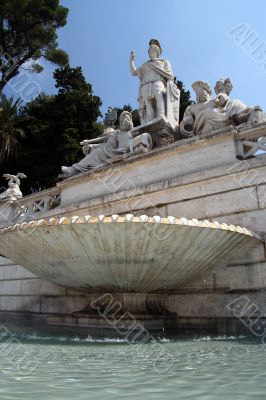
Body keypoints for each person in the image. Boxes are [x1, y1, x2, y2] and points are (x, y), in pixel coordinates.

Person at [130, 39, 180, 128]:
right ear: (149, 52)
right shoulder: (145, 64)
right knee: (148, 103)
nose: (152, 48)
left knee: (159, 97)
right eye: (150, 48)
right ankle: (151, 121)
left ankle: (161, 115)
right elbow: (134, 72)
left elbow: (169, 74)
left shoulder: (164, 61)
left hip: (158, 81)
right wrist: (131, 61)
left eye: (154, 47)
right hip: (145, 84)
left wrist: (170, 83)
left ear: (158, 51)